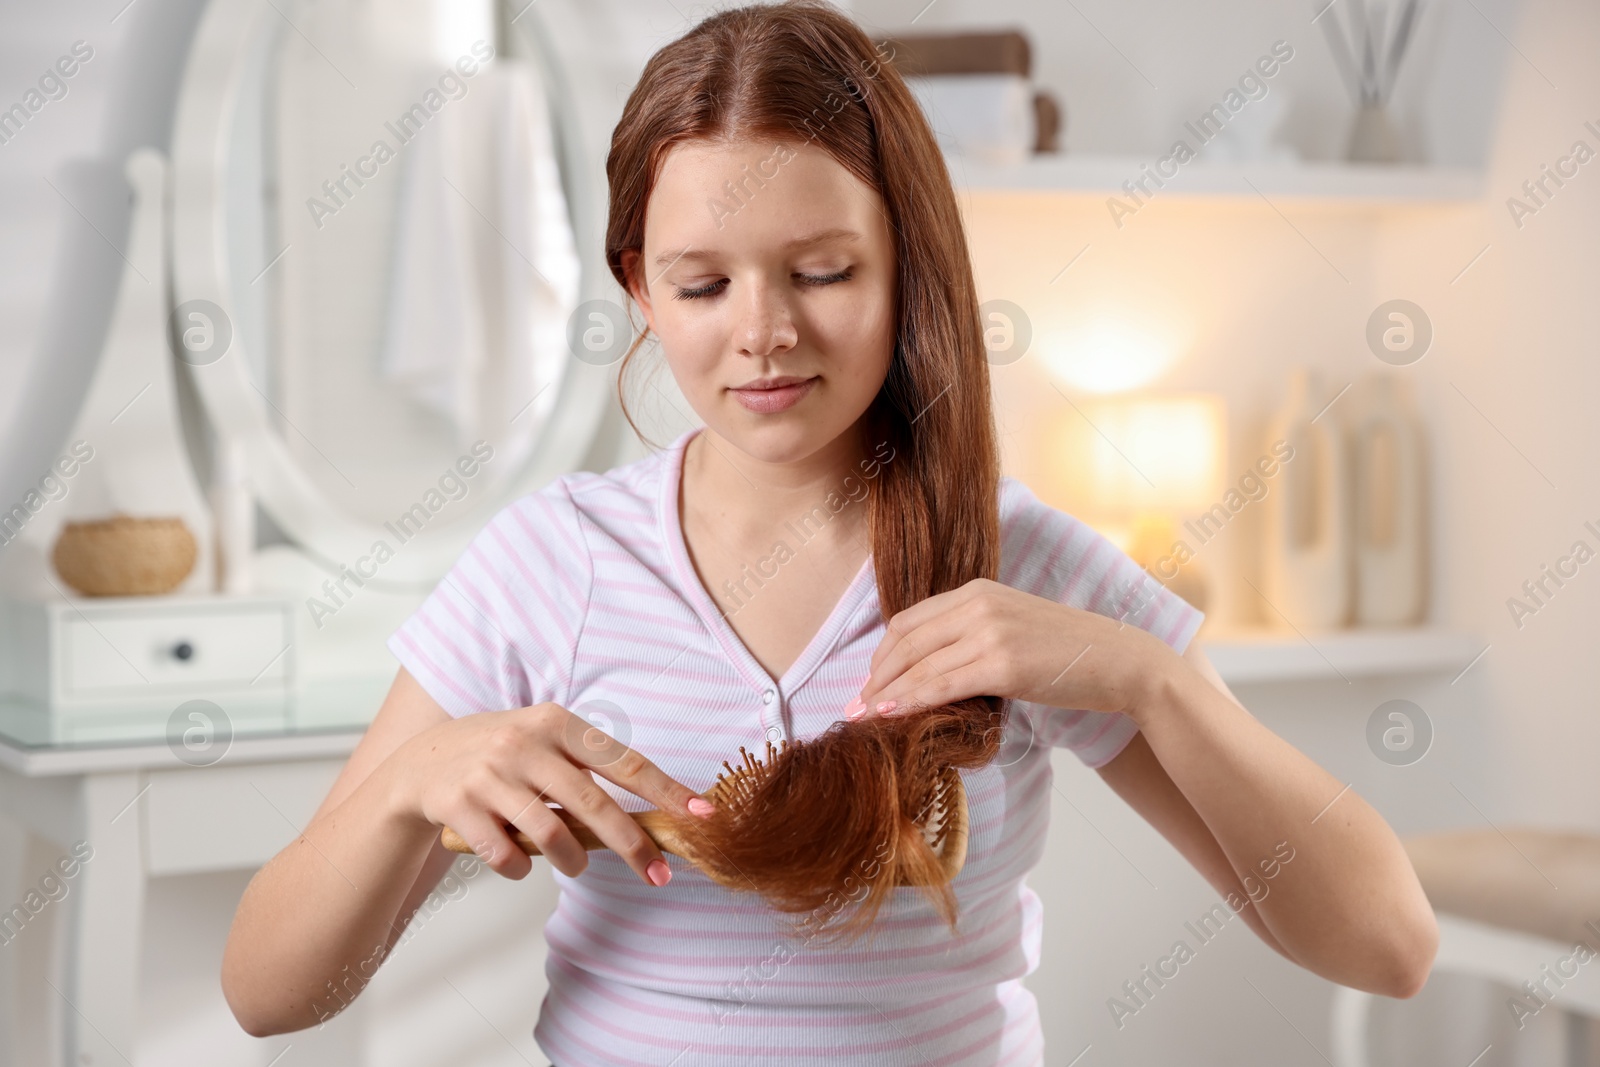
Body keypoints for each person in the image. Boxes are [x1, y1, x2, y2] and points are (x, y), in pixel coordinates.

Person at [221, 3, 1438, 1063]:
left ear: (908, 266)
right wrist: (402, 797)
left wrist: (1152, 682)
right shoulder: (551, 564)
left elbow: (1387, 944)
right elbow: (269, 994)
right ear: (639, 288)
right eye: (702, 286)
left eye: (820, 271)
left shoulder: (1020, 563)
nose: (761, 333)